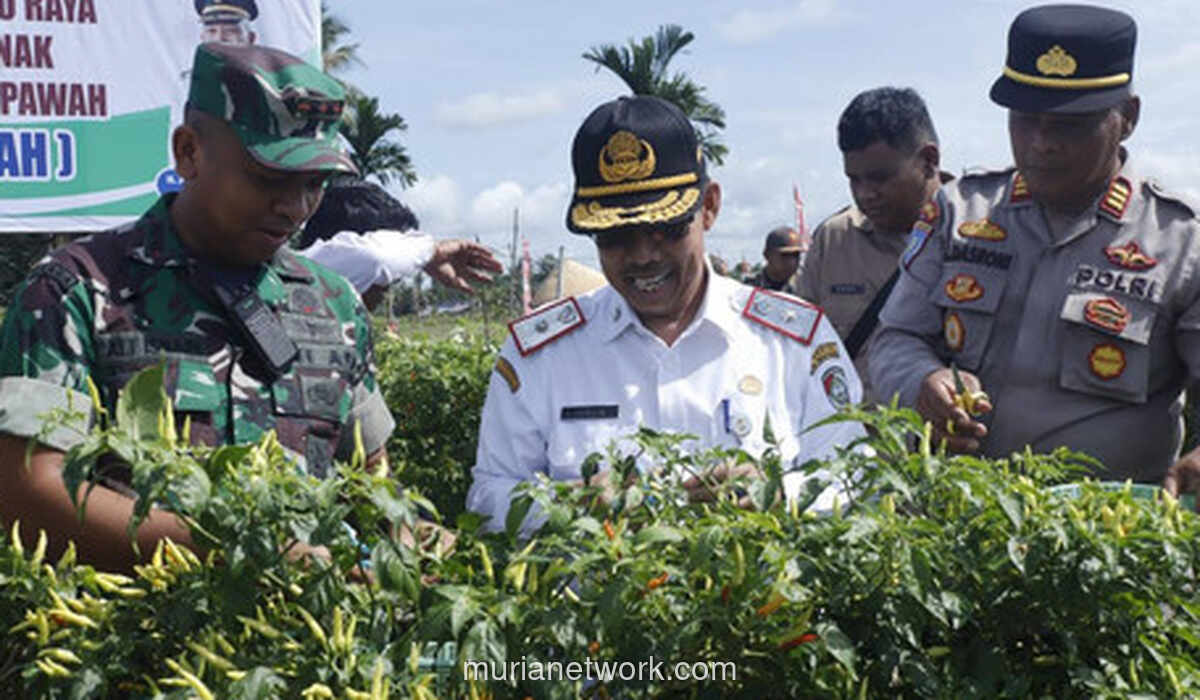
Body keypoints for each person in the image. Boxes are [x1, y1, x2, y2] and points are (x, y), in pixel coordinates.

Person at [0, 43, 394, 571]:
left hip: (306, 644)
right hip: (137, 643)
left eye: (315, 184)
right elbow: (29, 496)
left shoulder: (334, 304)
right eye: (270, 178)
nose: (296, 208)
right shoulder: (76, 291)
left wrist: (401, 543)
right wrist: (235, 555)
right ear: (188, 152)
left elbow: (370, 476)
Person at [467, 95, 864, 531]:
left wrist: (772, 495)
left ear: (709, 206)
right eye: (614, 237)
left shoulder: (794, 343)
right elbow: (489, 495)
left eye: (666, 230)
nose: (642, 256)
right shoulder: (540, 355)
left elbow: (855, 476)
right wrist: (572, 506)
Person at [869, 5, 1200, 496]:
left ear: (1126, 118)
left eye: (1069, 124)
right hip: (955, 519)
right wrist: (923, 380)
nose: (1041, 143)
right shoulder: (961, 210)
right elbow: (894, 336)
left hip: (1104, 537)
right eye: (1024, 120)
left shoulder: (1180, 240)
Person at [797, 87, 950, 403]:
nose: (865, 194)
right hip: (851, 445)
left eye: (880, 178)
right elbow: (800, 352)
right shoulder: (835, 241)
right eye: (854, 179)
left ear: (928, 161)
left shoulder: (980, 235)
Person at [295, 177, 501, 312]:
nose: (388, 283)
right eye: (398, 244)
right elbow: (376, 258)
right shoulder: (298, 276)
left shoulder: (336, 317)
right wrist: (432, 252)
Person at [747, 226, 803, 293]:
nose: (792, 262)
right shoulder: (749, 288)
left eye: (796, 255)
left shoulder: (805, 288)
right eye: (785, 255)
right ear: (767, 255)